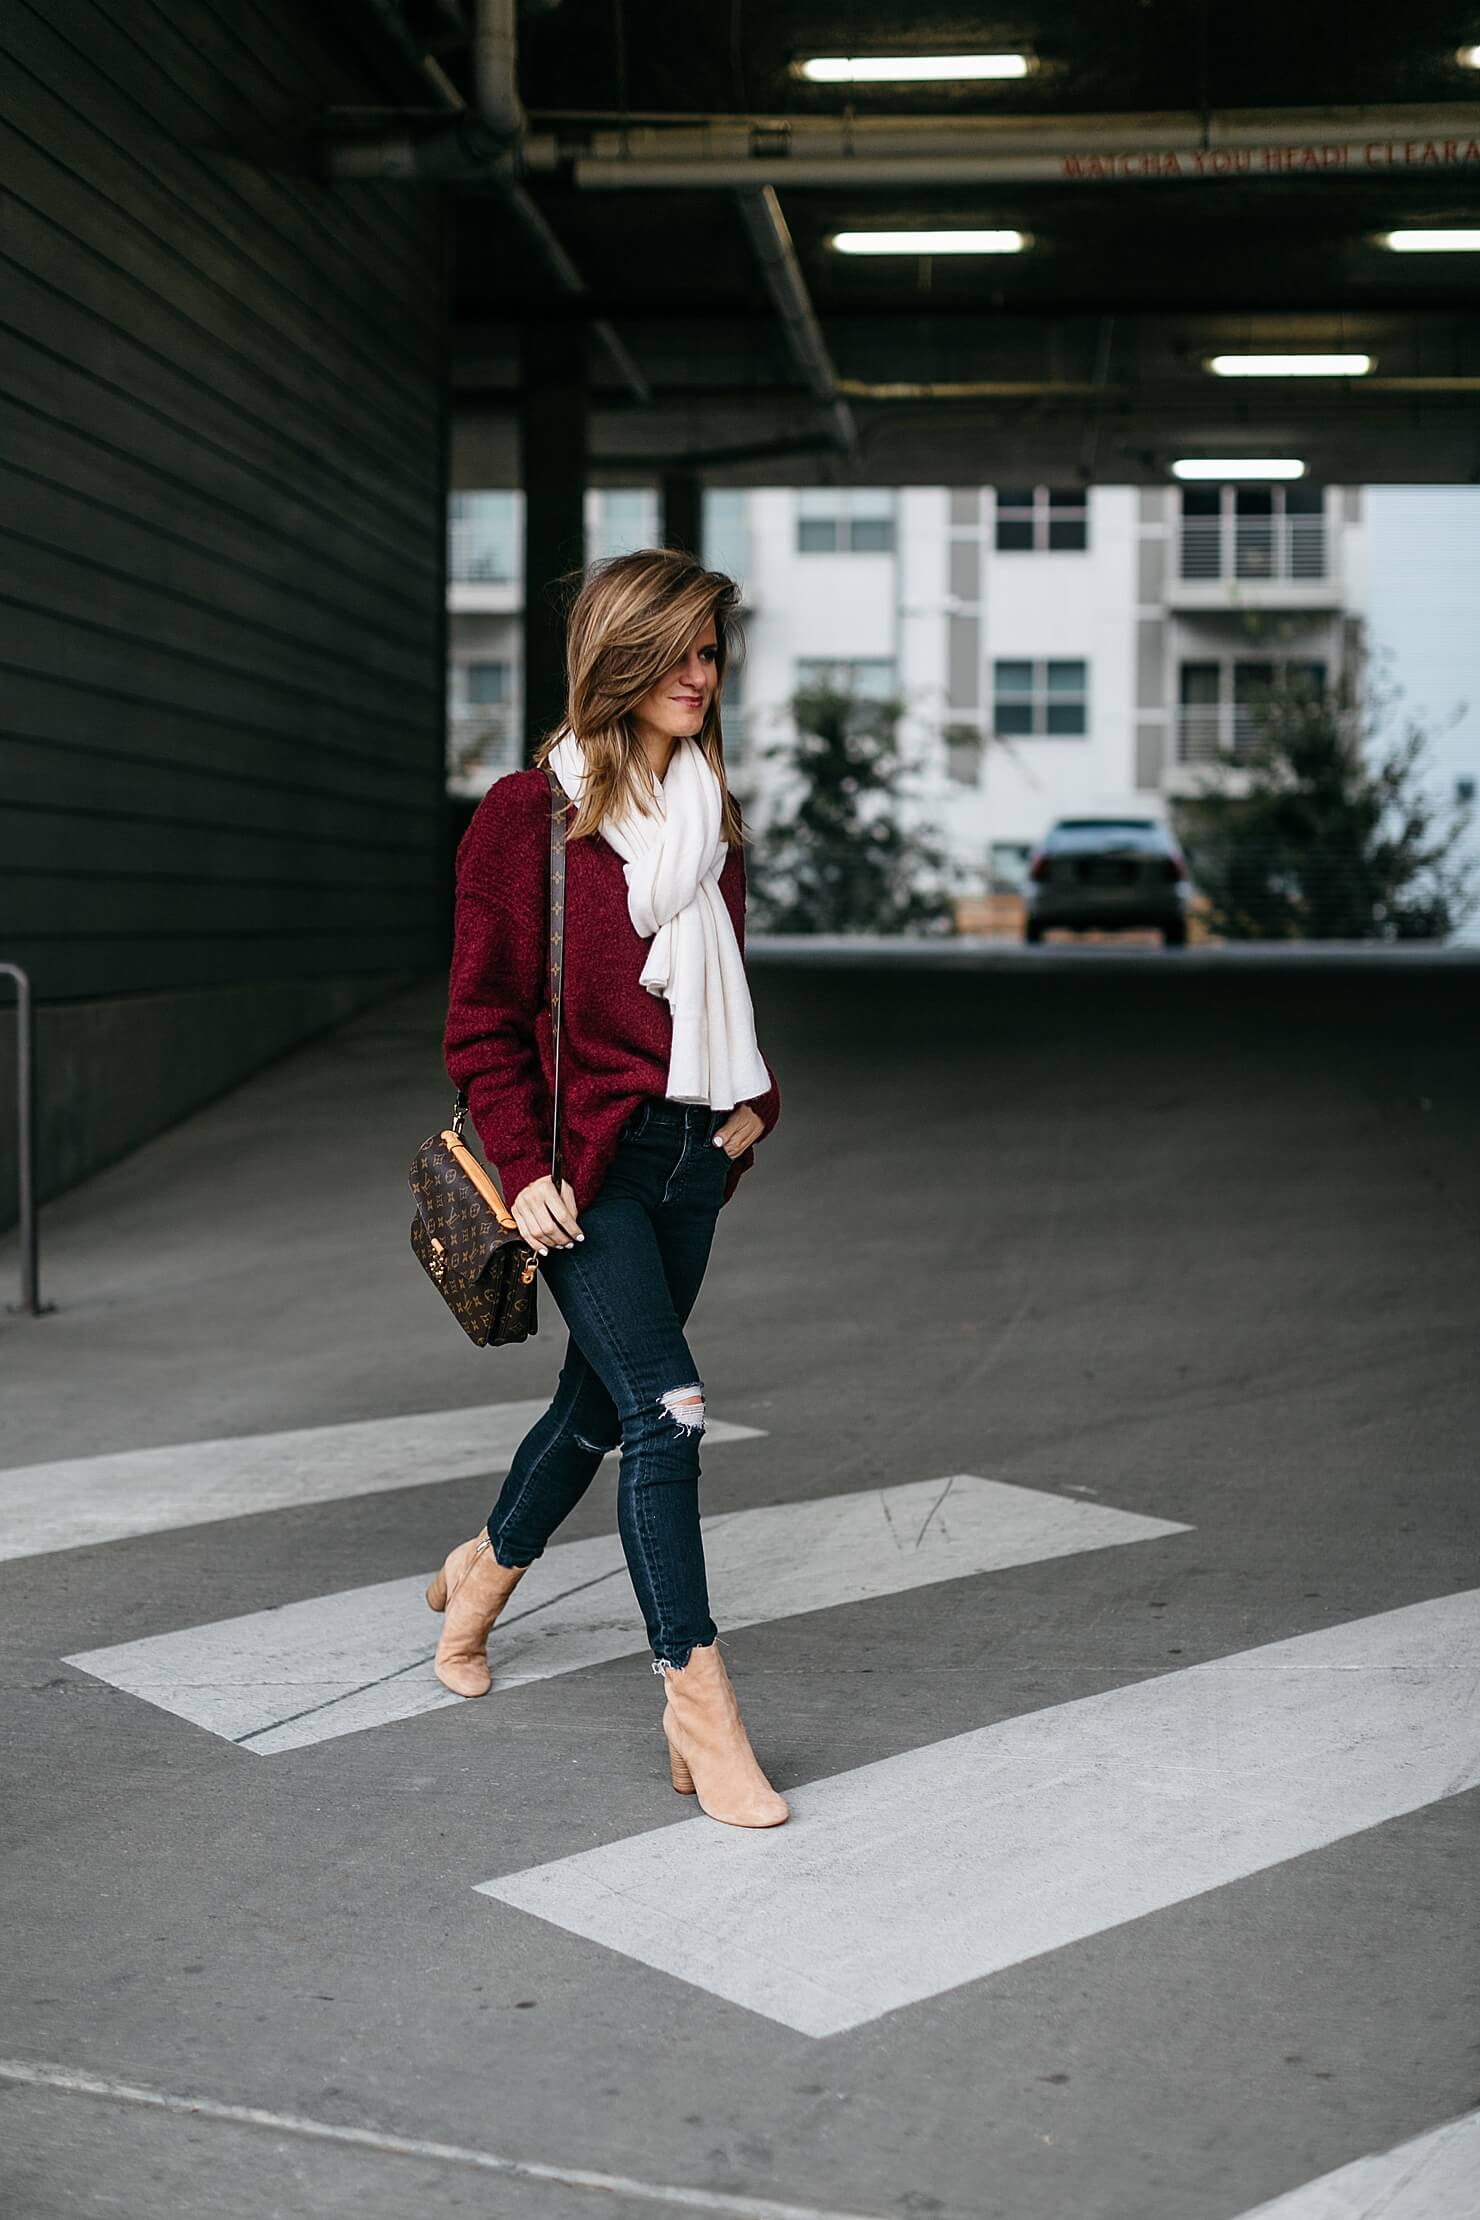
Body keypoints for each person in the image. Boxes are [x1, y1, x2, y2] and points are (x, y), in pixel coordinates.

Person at [432, 548, 789, 1829]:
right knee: (672, 1413)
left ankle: (481, 1578)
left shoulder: (712, 813)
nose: (700, 675)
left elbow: (722, 990)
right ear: (620, 656)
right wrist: (525, 1171)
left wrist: (752, 1113)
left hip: (698, 1153)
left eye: (711, 652)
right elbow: (482, 1024)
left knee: (599, 1408)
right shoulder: (522, 819)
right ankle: (702, 1713)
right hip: (587, 1174)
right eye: (677, 651)